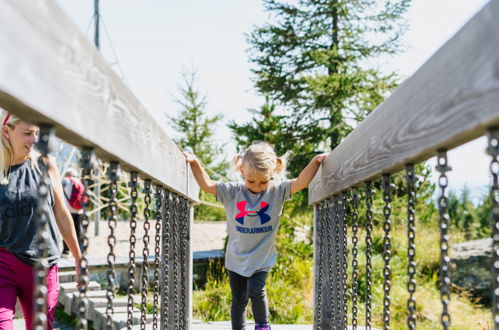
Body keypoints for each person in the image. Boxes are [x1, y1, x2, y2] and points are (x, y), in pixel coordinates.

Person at [184, 141, 327, 330]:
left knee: (256, 290)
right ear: (242, 170)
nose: (257, 186)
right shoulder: (233, 191)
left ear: (273, 173)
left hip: (261, 258)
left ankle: (262, 326)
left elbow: (300, 182)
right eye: (251, 181)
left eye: (263, 181)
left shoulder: (277, 191)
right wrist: (194, 163)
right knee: (239, 299)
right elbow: (208, 185)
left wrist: (316, 161)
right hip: (236, 258)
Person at [0, 111, 81, 330]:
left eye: (36, 133)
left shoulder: (44, 164)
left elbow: (62, 215)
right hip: (4, 260)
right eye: (27, 133)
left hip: (42, 264)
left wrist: (77, 257)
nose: (34, 140)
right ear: (7, 132)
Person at [61, 168, 84, 256]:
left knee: (66, 229)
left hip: (68, 209)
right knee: (78, 230)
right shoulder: (79, 182)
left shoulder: (65, 180)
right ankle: (79, 250)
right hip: (79, 209)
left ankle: (66, 251)